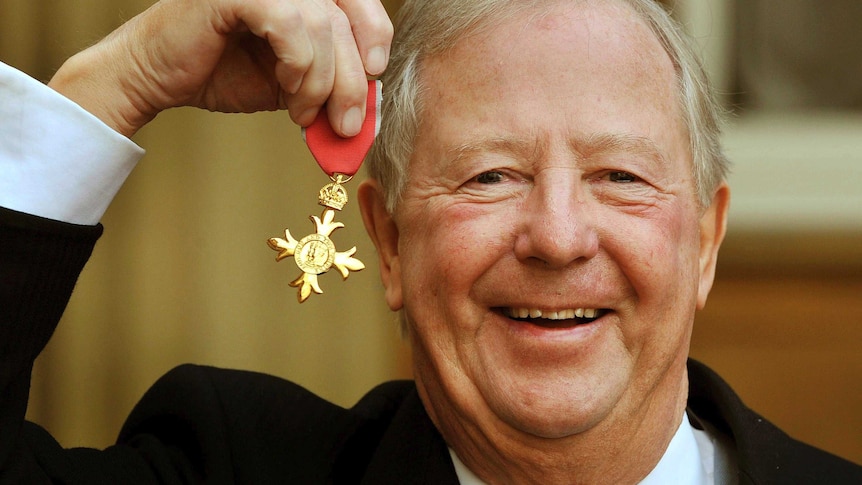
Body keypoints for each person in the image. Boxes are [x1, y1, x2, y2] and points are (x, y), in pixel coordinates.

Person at [0, 0, 859, 483]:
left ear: (704, 240)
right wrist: (118, 81)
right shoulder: (235, 469)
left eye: (620, 177)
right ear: (390, 243)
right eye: (490, 175)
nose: (558, 236)